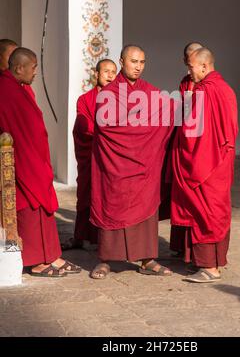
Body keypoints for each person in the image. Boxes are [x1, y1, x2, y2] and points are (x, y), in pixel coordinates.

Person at [90, 45, 174, 279]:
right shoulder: (108, 94)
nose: (138, 67)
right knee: (112, 205)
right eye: (133, 61)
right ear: (122, 61)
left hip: (143, 164)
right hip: (115, 165)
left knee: (145, 205)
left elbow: (169, 108)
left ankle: (147, 259)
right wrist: (140, 130)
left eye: (142, 62)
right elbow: (108, 129)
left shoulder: (149, 91)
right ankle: (105, 259)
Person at [0, 48, 81, 277]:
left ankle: (51, 256)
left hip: (34, 159)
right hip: (22, 163)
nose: (36, 72)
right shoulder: (6, 90)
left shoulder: (19, 88)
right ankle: (36, 261)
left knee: (43, 210)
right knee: (30, 209)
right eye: (33, 67)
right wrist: (33, 165)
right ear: (19, 68)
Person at [171, 47, 238, 283]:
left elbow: (192, 130)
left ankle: (210, 267)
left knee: (205, 212)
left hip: (205, 163)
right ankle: (214, 261)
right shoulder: (225, 89)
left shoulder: (205, 92)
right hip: (222, 160)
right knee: (216, 210)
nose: (188, 71)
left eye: (190, 66)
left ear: (203, 66)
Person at [62, 59, 117, 251]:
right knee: (85, 194)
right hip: (92, 155)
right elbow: (82, 128)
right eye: (106, 71)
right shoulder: (85, 99)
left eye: (113, 72)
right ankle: (80, 236)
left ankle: (107, 240)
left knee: (109, 198)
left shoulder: (122, 99)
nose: (110, 75)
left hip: (113, 158)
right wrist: (103, 137)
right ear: (96, 74)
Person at [170, 41, 203, 256]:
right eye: (189, 59)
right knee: (181, 198)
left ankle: (197, 250)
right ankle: (182, 248)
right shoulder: (184, 82)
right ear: (185, 61)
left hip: (199, 148)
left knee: (197, 199)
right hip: (182, 144)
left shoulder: (208, 86)